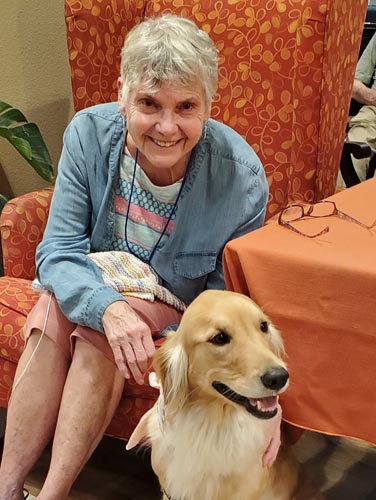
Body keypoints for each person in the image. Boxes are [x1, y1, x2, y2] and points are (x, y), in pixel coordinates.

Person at [0, 14, 271, 499]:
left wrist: (173, 356)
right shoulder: (88, 133)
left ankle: (51, 493)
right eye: (149, 103)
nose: (167, 127)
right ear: (122, 93)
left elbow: (220, 300)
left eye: (186, 106)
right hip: (95, 288)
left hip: (176, 311)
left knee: (93, 329)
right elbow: (58, 251)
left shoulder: (242, 177)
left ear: (209, 105)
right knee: (56, 312)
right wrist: (109, 306)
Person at [337, 32, 376, 188]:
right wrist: (372, 98)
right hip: (373, 112)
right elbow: (354, 85)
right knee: (349, 154)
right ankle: (340, 207)